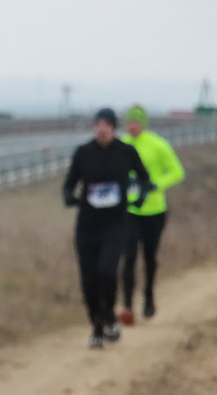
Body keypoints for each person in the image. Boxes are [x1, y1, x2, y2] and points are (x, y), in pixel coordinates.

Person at [62, 107, 151, 349]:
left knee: (107, 271)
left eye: (106, 125)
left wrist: (141, 196)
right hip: (87, 225)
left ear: (113, 128)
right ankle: (97, 327)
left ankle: (110, 315)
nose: (101, 129)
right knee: (88, 280)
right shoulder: (83, 153)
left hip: (116, 224)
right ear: (94, 127)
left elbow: (145, 179)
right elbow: (69, 183)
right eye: (97, 124)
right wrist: (69, 196)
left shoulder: (126, 152)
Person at [118, 104, 185, 322]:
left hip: (154, 210)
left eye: (136, 122)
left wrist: (157, 184)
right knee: (128, 256)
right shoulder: (121, 145)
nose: (132, 126)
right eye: (129, 122)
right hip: (129, 210)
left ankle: (148, 296)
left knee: (149, 257)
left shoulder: (157, 144)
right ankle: (127, 305)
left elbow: (177, 171)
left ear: (143, 124)